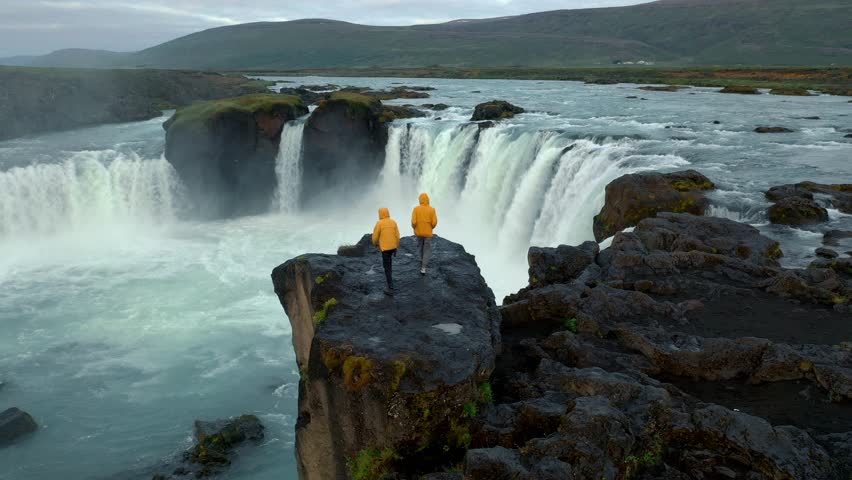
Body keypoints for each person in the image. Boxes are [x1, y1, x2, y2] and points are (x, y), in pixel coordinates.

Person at [372, 207, 400, 295]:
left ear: (380, 214)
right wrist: (396, 247)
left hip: (385, 248)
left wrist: (375, 244)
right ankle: (390, 278)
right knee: (389, 263)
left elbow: (375, 237)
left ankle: (390, 287)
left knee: (386, 267)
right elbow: (397, 236)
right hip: (393, 247)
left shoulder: (379, 223)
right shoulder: (393, 222)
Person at [411, 192, 438, 275]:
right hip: (428, 233)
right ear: (428, 200)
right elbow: (434, 222)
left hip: (418, 232)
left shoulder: (416, 209)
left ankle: (421, 259)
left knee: (420, 247)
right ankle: (423, 268)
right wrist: (430, 228)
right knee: (426, 249)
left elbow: (413, 221)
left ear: (420, 200)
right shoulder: (432, 209)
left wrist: (414, 228)